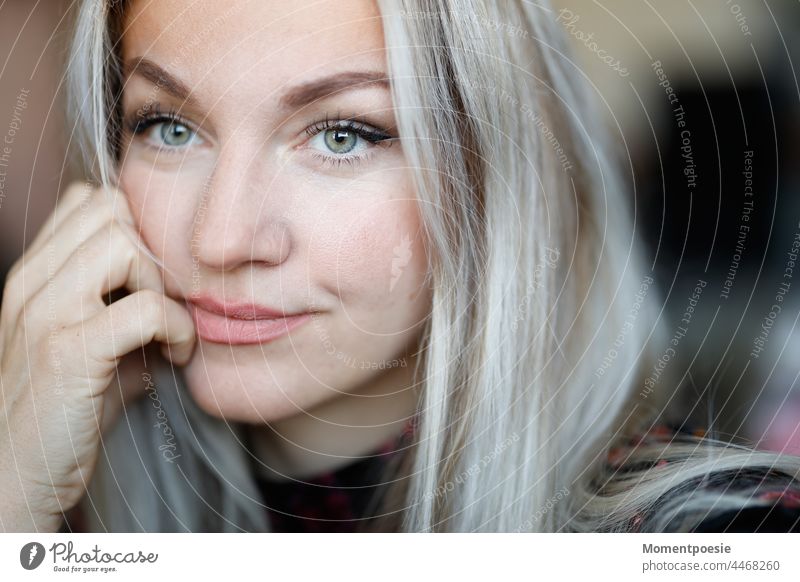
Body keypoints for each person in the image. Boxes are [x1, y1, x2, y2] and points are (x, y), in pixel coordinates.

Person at [1, 0, 799, 533]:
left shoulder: (726, 534)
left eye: (343, 134)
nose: (220, 237)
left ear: (496, 176)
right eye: (169, 126)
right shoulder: (65, 503)